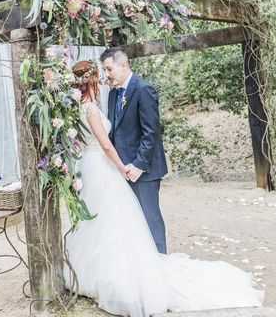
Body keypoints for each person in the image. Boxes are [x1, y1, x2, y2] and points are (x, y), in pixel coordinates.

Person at [64, 59, 264, 317]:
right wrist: (122, 166)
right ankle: (136, 271)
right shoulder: (90, 108)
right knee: (114, 220)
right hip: (104, 166)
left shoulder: (77, 108)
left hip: (90, 170)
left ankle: (93, 271)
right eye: (100, 75)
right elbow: (105, 145)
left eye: (109, 71)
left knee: (100, 221)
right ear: (90, 80)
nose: (105, 79)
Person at [101, 47, 167, 254]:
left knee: (150, 219)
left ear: (124, 64)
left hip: (143, 170)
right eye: (105, 70)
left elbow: (151, 132)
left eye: (109, 69)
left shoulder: (144, 89)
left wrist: (138, 165)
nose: (107, 75)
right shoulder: (113, 95)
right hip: (122, 170)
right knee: (131, 220)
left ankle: (161, 263)